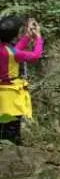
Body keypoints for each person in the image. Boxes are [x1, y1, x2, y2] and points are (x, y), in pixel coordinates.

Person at [0, 15, 43, 145]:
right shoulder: (13, 53)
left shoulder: (6, 50)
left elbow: (14, 51)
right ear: (13, 36)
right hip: (10, 96)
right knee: (11, 131)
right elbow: (35, 56)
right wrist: (38, 39)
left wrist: (27, 37)